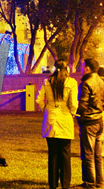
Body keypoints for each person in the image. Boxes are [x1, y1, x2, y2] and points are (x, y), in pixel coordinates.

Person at [36, 59, 78, 189]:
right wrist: (71, 112)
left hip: (51, 118)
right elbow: (74, 103)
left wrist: (46, 108)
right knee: (65, 153)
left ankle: (53, 184)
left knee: (53, 153)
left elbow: (38, 99)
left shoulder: (47, 81)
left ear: (55, 68)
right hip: (65, 118)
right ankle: (65, 184)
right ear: (66, 69)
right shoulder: (71, 82)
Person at [77, 58, 104, 188]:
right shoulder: (102, 81)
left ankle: (90, 182)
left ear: (87, 68)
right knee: (98, 155)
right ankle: (100, 182)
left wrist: (77, 115)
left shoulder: (86, 83)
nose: (81, 69)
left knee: (87, 153)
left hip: (89, 122)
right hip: (99, 121)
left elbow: (82, 104)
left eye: (82, 66)